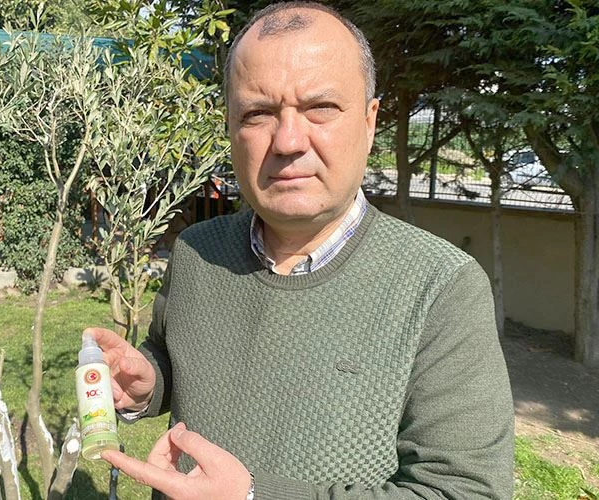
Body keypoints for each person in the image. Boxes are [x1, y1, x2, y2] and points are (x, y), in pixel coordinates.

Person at [86, 2, 515, 498]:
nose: (288, 140)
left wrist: (253, 496)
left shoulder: (440, 286)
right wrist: (148, 384)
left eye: (320, 109)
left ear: (370, 121)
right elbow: (177, 360)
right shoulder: (198, 251)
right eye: (258, 113)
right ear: (230, 127)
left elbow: (464, 492)